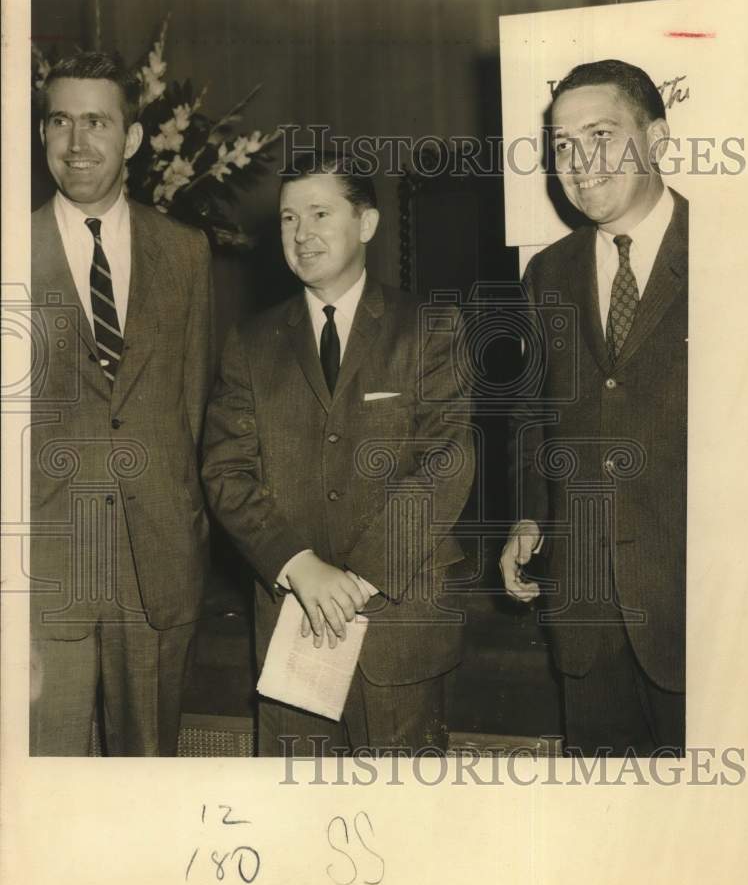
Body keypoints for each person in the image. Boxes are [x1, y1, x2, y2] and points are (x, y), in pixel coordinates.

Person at [201, 154, 474, 756]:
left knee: (401, 823)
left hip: (400, 623)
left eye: (320, 214)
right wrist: (300, 566)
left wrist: (360, 576)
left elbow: (446, 461)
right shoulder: (250, 343)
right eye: (288, 219)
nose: (301, 234)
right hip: (291, 626)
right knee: (298, 819)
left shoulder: (429, 326)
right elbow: (225, 471)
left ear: (368, 224)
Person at [500, 59, 687, 756]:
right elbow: (530, 412)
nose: (581, 163)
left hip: (701, 610)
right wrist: (528, 513)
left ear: (659, 138)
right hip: (585, 611)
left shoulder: (732, 251)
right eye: (564, 147)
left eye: (601, 135)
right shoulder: (548, 271)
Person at [29, 52, 214, 756]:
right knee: (45, 793)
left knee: (150, 786)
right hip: (45, 579)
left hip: (158, 571)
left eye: (97, 122)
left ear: (132, 139)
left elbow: (193, 410)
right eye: (60, 121)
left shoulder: (186, 252)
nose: (77, 144)